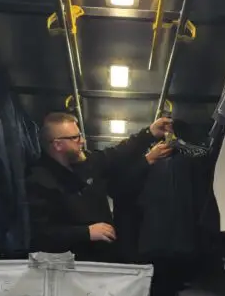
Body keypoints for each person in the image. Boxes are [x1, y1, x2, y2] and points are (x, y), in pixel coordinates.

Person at [26, 112, 174, 262]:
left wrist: (149, 134)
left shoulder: (87, 162)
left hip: (102, 258)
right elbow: (40, 234)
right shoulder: (38, 181)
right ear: (58, 144)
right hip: (69, 268)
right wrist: (86, 232)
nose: (82, 141)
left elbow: (116, 154)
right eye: (75, 137)